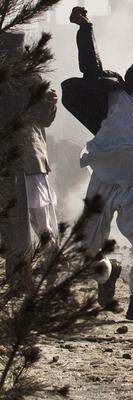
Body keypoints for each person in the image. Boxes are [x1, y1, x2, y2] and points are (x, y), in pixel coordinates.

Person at [62, 7, 133, 324]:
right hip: (102, 180)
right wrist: (86, 26)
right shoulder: (114, 94)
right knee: (86, 246)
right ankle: (108, 272)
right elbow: (90, 65)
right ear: (131, 79)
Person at [0, 31, 58, 278]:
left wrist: (50, 102)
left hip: (24, 159)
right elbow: (45, 117)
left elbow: (44, 117)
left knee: (30, 219)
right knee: (34, 219)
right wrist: (50, 102)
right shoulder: (31, 76)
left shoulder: (28, 77)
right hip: (25, 159)